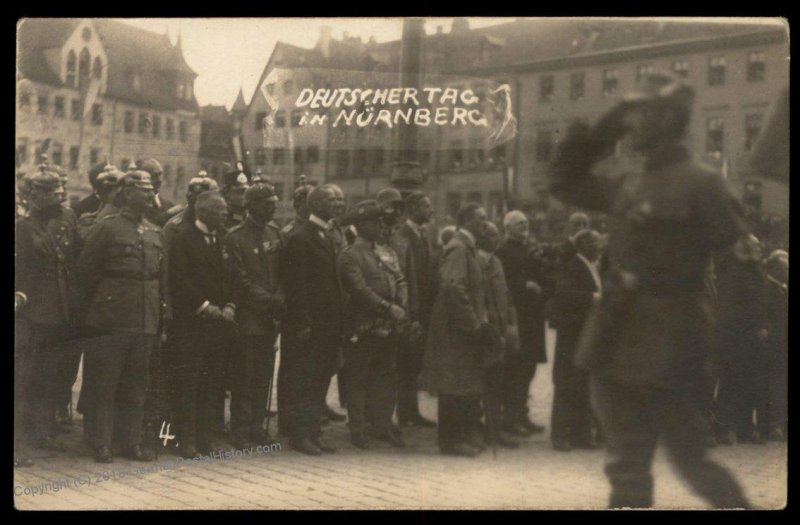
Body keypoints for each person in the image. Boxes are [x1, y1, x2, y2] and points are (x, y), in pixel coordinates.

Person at [550, 70, 750, 508]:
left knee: (693, 462)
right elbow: (563, 181)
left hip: (673, 345)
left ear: (668, 118)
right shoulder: (629, 181)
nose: (633, 122)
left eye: (642, 112)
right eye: (631, 112)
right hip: (614, 339)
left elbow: (741, 267)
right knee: (625, 469)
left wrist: (720, 341)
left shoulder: (704, 183)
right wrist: (606, 126)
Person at [76, 169, 164, 464]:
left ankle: (131, 442)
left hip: (145, 315)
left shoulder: (154, 231)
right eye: (143, 189)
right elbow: (87, 271)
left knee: (137, 383)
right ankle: (101, 442)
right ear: (126, 193)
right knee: (106, 382)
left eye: (151, 189)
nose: (150, 194)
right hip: (112, 315)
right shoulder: (108, 227)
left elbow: (159, 277)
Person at [420, 203, 497, 457]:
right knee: (453, 384)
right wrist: (473, 323)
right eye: (480, 219)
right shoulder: (458, 248)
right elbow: (453, 287)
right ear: (465, 222)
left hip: (462, 327)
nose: (485, 223)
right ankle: (451, 441)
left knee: (464, 382)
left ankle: (462, 437)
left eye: (486, 219)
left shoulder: (467, 248)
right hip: (455, 330)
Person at [168, 191, 235, 458]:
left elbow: (233, 276)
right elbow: (179, 279)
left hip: (219, 325)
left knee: (212, 383)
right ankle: (186, 440)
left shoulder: (223, 239)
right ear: (204, 212)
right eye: (220, 210)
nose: (226, 214)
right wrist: (206, 307)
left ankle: (206, 437)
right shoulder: (184, 239)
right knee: (188, 383)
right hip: (192, 324)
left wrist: (230, 304)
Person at [280, 185, 345, 455]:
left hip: (328, 323)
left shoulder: (328, 234)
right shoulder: (301, 238)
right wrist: (303, 323)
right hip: (309, 324)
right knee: (303, 378)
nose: (339, 205)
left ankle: (314, 432)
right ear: (316, 204)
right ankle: (300, 435)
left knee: (320, 378)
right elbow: (297, 286)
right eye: (333, 200)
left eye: (340, 200)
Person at [338, 200, 408, 449]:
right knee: (358, 377)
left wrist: (402, 301)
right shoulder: (349, 255)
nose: (381, 225)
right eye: (375, 221)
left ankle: (382, 425)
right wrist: (389, 308)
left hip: (388, 326)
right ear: (361, 225)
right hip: (363, 326)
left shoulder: (386, 252)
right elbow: (360, 290)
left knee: (385, 376)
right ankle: (357, 428)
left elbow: (400, 279)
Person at [14, 167, 72, 467]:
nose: (59, 197)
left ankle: (37, 435)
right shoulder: (24, 228)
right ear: (36, 195)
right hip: (31, 316)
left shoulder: (48, 225)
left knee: (44, 379)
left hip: (53, 315)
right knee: (21, 381)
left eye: (59, 191)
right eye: (52, 193)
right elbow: (22, 271)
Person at [223, 183, 284, 449]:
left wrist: (280, 296)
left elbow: (284, 271)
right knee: (244, 376)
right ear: (252, 206)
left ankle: (257, 427)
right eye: (267, 203)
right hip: (247, 318)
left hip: (269, 318)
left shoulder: (275, 233)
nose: (273, 206)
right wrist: (269, 300)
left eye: (274, 202)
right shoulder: (234, 237)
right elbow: (239, 280)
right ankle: (240, 429)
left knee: (263, 375)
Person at [547, 229, 602, 452]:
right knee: (566, 384)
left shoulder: (590, 265)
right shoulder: (573, 266)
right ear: (584, 245)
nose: (599, 247)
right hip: (571, 335)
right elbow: (564, 294)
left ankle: (580, 434)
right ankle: (560, 435)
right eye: (595, 243)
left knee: (582, 384)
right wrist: (593, 297)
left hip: (583, 334)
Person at [494, 210, 549, 437]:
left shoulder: (530, 248)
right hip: (516, 319)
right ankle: (510, 418)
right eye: (519, 224)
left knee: (528, 369)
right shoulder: (503, 251)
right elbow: (501, 284)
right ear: (507, 228)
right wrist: (523, 286)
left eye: (526, 222)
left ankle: (522, 414)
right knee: (514, 369)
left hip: (533, 317)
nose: (524, 226)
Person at [714, 235, 770, 445]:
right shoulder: (735, 272)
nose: (758, 248)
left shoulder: (758, 271)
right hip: (736, 336)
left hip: (754, 336)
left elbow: (762, 303)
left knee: (750, 383)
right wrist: (752, 326)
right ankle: (721, 429)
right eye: (754, 245)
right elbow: (731, 307)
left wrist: (763, 326)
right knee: (731, 382)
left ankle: (745, 427)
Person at [392, 191, 437, 428]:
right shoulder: (403, 235)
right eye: (426, 206)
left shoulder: (424, 234)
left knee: (415, 362)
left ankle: (412, 411)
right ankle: (404, 413)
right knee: (406, 362)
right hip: (411, 307)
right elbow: (404, 275)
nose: (430, 210)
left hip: (425, 308)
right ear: (413, 209)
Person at [476, 222, 520, 449]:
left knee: (497, 383)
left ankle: (494, 430)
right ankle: (480, 430)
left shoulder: (497, 262)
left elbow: (506, 295)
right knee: (482, 382)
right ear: (480, 237)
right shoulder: (476, 261)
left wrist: (511, 324)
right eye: (491, 234)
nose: (496, 238)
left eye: (497, 235)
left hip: (501, 329)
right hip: (485, 331)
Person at [762, 250, 788, 441]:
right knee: (774, 384)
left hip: (782, 343)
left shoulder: (782, 287)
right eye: (784, 267)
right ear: (774, 267)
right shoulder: (767, 287)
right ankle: (773, 426)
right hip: (773, 344)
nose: (787, 270)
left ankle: (779, 424)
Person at [140, 158, 176, 227]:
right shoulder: (139, 207)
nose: (159, 180)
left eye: (160, 175)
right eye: (154, 176)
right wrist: (169, 213)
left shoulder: (169, 205)